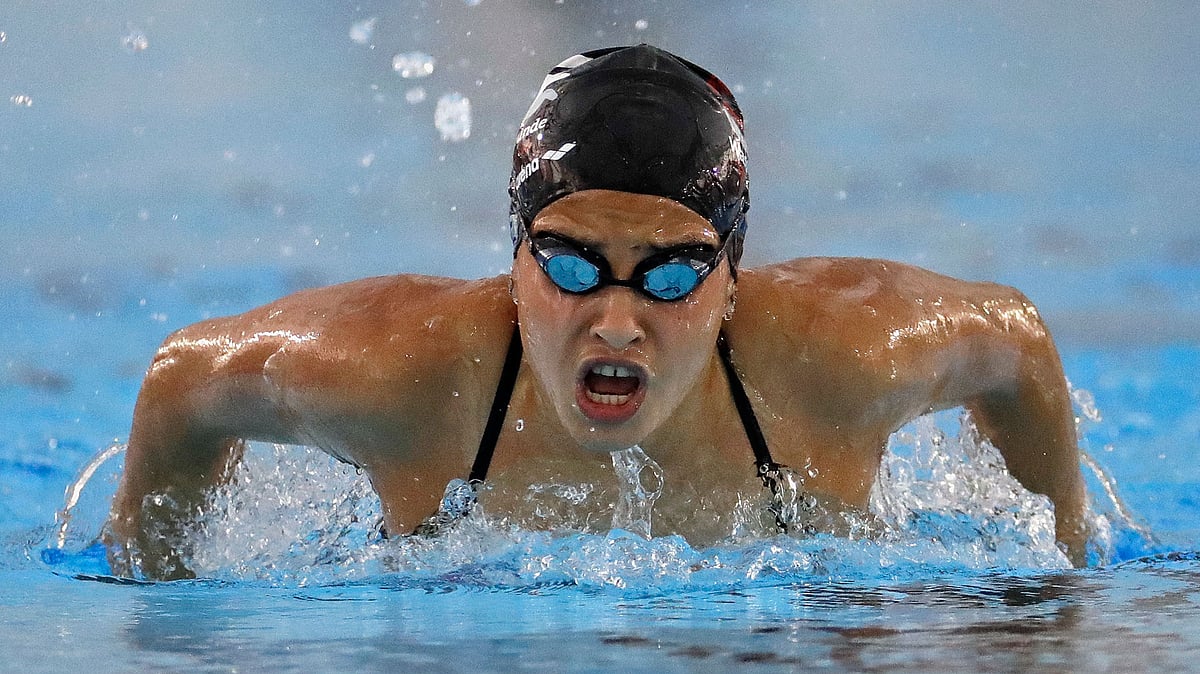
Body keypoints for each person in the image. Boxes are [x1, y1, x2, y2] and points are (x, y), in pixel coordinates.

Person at [108, 44, 1088, 579]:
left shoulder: (839, 360)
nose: (617, 319)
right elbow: (185, 380)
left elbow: (1015, 341)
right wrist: (163, 597)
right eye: (574, 266)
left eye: (669, 276)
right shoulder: (404, 375)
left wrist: (1052, 592)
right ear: (516, 259)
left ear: (732, 279)